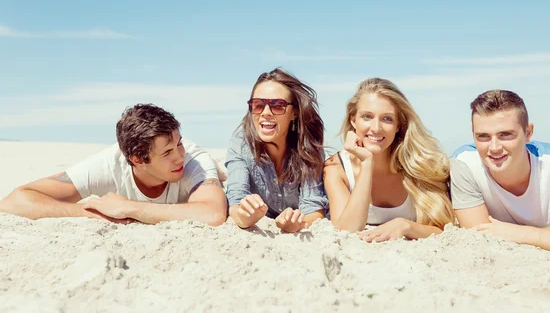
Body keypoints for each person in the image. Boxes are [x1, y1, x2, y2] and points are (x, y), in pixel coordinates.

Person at [0, 104, 227, 226]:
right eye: (167, 152)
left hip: (204, 176)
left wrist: (130, 207)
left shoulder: (191, 159)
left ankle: (217, 170)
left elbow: (213, 213)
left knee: (214, 171)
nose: (179, 156)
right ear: (137, 159)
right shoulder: (109, 164)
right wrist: (89, 213)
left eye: (179, 144)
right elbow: (15, 200)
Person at [451, 89, 550, 248]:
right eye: (483, 136)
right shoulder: (464, 163)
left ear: (528, 133)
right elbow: (480, 239)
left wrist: (521, 235)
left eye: (505, 134)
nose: (494, 147)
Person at [323, 78, 455, 242]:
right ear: (353, 120)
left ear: (398, 125)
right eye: (367, 117)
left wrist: (405, 225)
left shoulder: (418, 165)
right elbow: (346, 229)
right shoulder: (336, 168)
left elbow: (445, 229)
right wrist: (367, 164)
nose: (376, 128)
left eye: (387, 119)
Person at [225, 68, 328, 233]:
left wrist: (294, 223)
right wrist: (244, 218)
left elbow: (314, 211)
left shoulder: (308, 146)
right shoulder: (241, 143)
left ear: (294, 112)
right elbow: (236, 199)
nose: (266, 113)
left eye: (278, 106)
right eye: (258, 105)